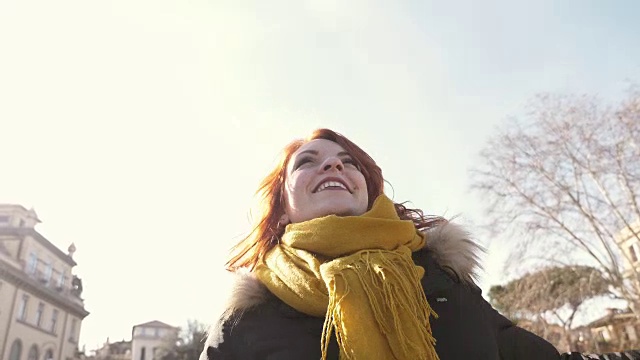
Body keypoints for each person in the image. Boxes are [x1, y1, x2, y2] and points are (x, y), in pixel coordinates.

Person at [200, 128, 561, 359]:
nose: (333, 167)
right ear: (280, 213)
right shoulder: (245, 320)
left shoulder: (442, 280)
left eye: (346, 162)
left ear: (367, 194)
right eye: (307, 162)